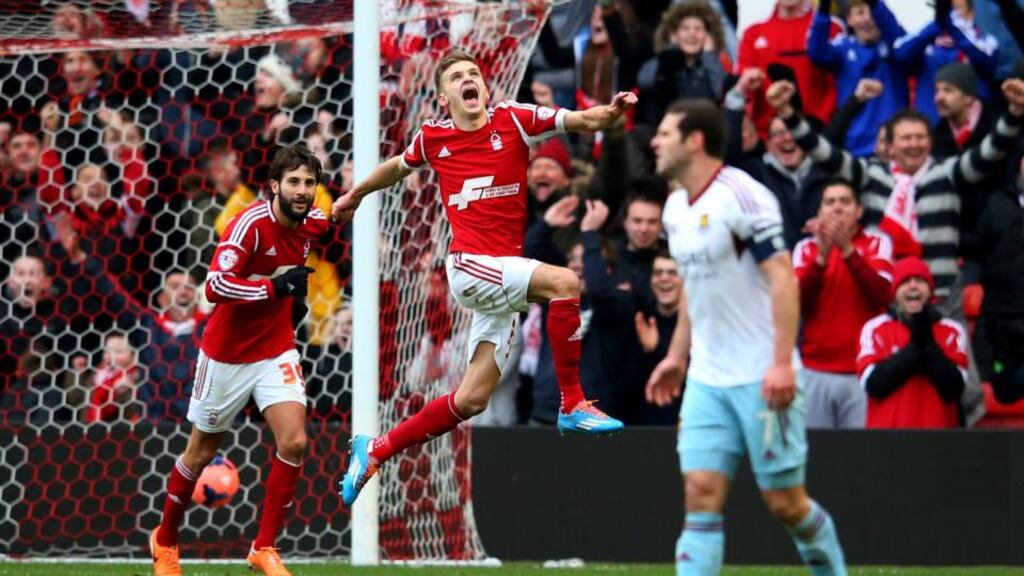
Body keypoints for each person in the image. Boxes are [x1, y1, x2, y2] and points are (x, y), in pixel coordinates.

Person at [333, 50, 634, 508]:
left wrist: (609, 113)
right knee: (565, 283)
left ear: (485, 88)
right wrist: (355, 194)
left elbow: (581, 121)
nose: (468, 79)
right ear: (443, 97)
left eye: (474, 73)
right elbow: (397, 167)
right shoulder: (434, 137)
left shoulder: (513, 119)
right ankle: (572, 403)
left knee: (473, 399)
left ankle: (375, 450)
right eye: (457, 76)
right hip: (470, 267)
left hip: (502, 277)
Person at [646, 99, 847, 576]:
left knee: (785, 503)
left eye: (666, 133)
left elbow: (783, 278)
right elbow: (695, 287)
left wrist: (780, 363)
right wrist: (677, 355)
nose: (654, 141)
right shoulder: (675, 207)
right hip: (707, 379)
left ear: (695, 141)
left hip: (761, 375)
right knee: (700, 492)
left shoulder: (744, 196)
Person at [148, 144, 328, 576]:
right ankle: (166, 541)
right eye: (294, 182)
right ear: (274, 186)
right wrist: (274, 289)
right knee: (200, 452)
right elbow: (214, 286)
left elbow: (334, 214)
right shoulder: (248, 224)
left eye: (309, 183)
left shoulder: (313, 222)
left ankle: (264, 548)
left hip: (276, 349)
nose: (302, 191)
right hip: (226, 355)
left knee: (295, 441)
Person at [793, 178, 893, 429]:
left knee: (860, 458)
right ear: (820, 212)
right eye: (830, 202)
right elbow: (798, 304)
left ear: (859, 211)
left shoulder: (877, 242)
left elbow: (882, 294)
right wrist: (822, 258)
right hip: (815, 370)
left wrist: (848, 250)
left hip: (863, 370)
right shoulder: (805, 248)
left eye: (845, 201)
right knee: (817, 456)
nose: (838, 208)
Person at [857, 257, 968, 428]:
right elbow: (874, 385)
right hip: (887, 443)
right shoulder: (875, 329)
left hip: (938, 443)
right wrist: (916, 347)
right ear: (894, 294)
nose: (913, 286)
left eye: (920, 281)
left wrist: (928, 346)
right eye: (905, 282)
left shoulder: (951, 331)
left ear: (930, 292)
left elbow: (954, 388)